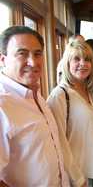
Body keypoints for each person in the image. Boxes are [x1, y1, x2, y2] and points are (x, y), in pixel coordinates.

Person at [0, 26, 86, 187]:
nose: (32, 62)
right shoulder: (3, 104)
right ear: (2, 59)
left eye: (37, 54)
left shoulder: (35, 94)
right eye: (22, 53)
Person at [47, 39, 93, 185]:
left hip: (91, 170)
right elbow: (59, 142)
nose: (82, 63)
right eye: (76, 59)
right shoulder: (59, 95)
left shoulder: (89, 91)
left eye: (87, 59)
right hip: (73, 176)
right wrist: (77, 178)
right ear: (67, 63)